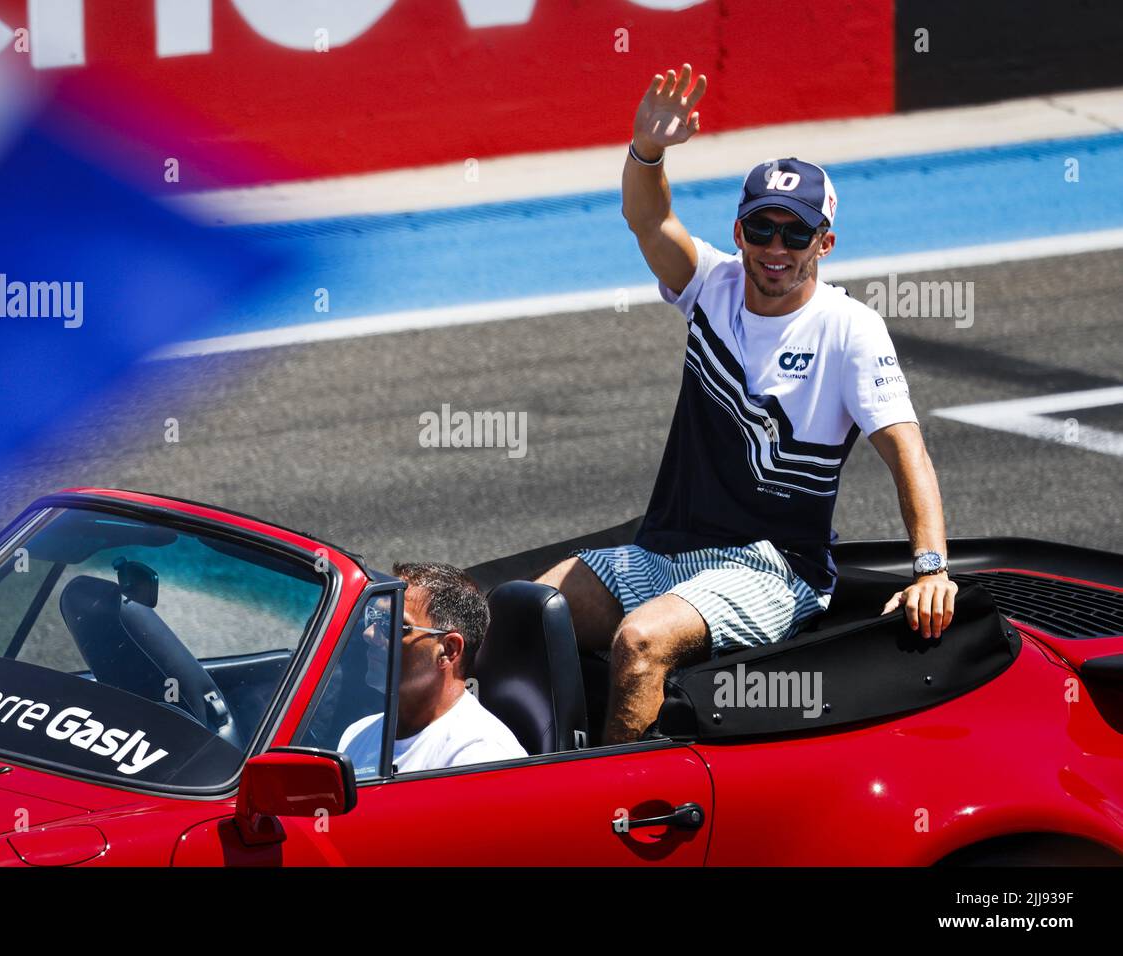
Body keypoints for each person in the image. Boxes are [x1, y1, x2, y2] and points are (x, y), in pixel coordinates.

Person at [536, 63, 959, 745]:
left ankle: (607, 813)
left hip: (773, 567)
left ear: (825, 243)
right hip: (667, 552)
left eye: (796, 235)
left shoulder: (849, 330)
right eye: (761, 229)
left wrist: (931, 569)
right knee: (531, 611)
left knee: (640, 644)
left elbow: (906, 449)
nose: (775, 250)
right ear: (738, 232)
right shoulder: (712, 285)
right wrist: (648, 150)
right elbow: (648, 219)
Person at [338, 562, 526, 774]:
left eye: (391, 624)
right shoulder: (355, 736)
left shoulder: (481, 756)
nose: (369, 634)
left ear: (448, 649)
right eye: (373, 617)